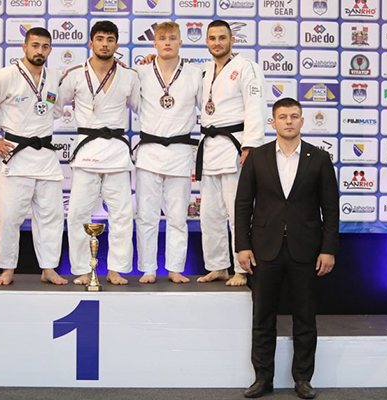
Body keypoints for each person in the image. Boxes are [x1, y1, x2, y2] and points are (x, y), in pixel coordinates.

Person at [235, 98, 339, 399]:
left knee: (305, 318)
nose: (289, 121)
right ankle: (262, 379)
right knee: (262, 318)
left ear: (302, 121)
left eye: (294, 116)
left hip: (306, 250)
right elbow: (243, 205)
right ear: (273, 122)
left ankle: (303, 379)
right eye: (282, 117)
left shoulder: (319, 158)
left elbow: (330, 209)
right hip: (263, 250)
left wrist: (328, 248)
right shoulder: (257, 157)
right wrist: (242, 246)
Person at [0, 27, 67, 286]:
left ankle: (48, 268)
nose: (39, 51)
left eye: (45, 46)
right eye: (35, 45)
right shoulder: (5, 76)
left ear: (50, 50)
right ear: (24, 47)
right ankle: (7, 269)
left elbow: (59, 107)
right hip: (16, 156)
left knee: (51, 217)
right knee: (9, 217)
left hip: (45, 157)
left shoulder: (55, 77)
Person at [58, 20, 140, 285]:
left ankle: (116, 268)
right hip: (87, 152)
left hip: (116, 152)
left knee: (122, 214)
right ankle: (83, 268)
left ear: (117, 44)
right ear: (91, 43)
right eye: (100, 39)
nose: (105, 44)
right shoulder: (74, 75)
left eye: (110, 39)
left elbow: (141, 108)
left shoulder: (129, 76)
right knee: (77, 214)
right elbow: (55, 106)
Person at [197, 20, 268, 286]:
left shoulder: (247, 67)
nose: (217, 43)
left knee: (238, 212)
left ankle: (242, 269)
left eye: (222, 38)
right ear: (207, 41)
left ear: (232, 40)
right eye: (212, 38)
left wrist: (251, 146)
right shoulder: (203, 71)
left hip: (235, 147)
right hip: (210, 149)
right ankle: (218, 266)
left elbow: (255, 107)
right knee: (210, 214)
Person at [134, 22, 201, 284]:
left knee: (177, 217)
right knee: (146, 216)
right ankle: (148, 268)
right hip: (149, 152)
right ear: (155, 43)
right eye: (162, 38)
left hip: (180, 153)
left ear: (180, 43)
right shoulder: (141, 72)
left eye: (173, 38)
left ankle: (175, 268)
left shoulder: (195, 73)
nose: (167, 43)